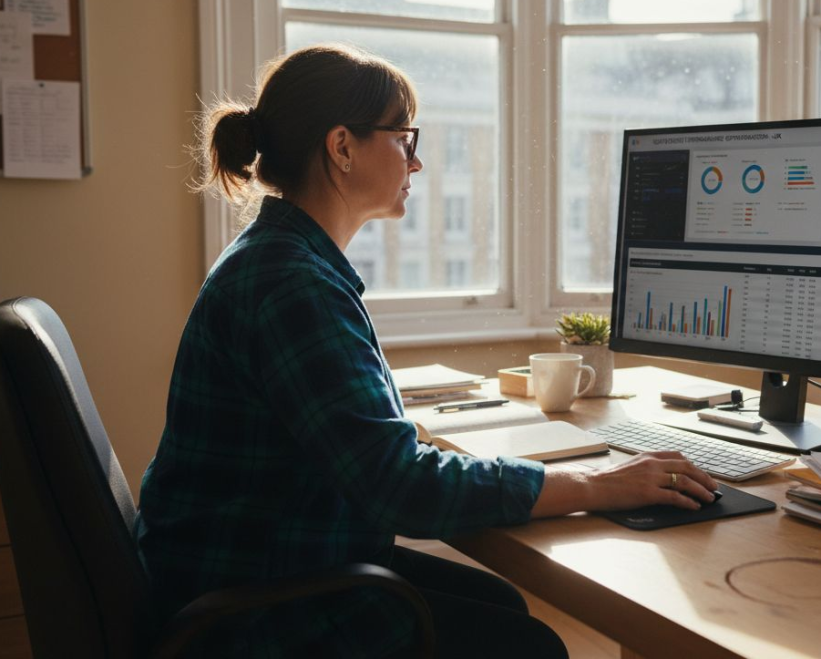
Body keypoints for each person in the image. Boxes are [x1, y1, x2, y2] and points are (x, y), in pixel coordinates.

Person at [134, 44, 718, 658]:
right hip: (255, 613)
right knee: (527, 645)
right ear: (342, 147)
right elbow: (401, 490)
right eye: (404, 138)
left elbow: (364, 453)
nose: (417, 163)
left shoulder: (281, 259)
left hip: (248, 572)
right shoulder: (293, 285)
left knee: (502, 608)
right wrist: (597, 484)